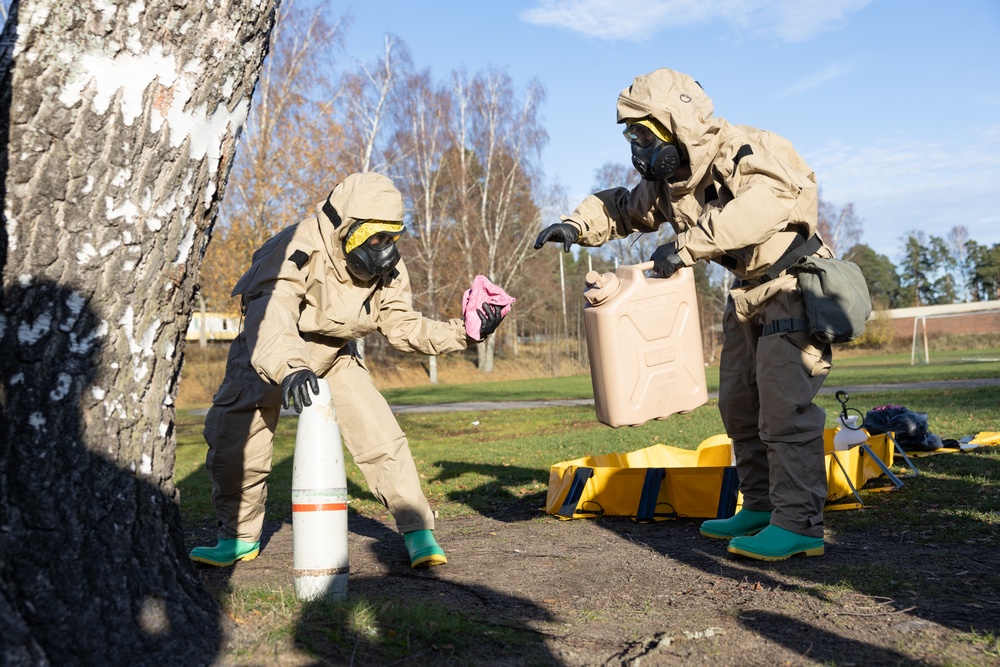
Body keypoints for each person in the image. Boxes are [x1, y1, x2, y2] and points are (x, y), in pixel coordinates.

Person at [535, 69, 833, 561]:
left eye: (644, 136)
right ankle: (760, 506)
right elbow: (625, 208)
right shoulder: (674, 183)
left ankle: (799, 524)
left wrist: (690, 244)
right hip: (748, 293)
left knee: (784, 407)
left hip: (793, 285)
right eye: (631, 136)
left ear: (678, 125)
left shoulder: (744, 149)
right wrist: (575, 224)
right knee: (739, 405)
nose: (637, 149)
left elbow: (772, 202)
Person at [190, 172, 505, 569]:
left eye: (392, 238)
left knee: (380, 435)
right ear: (346, 228)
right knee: (237, 441)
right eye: (376, 239)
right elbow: (272, 312)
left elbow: (402, 325)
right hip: (269, 349)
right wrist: (291, 367)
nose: (387, 251)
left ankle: (418, 532)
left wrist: (466, 333)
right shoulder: (295, 246)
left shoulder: (387, 268)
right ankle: (238, 537)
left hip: (336, 353)